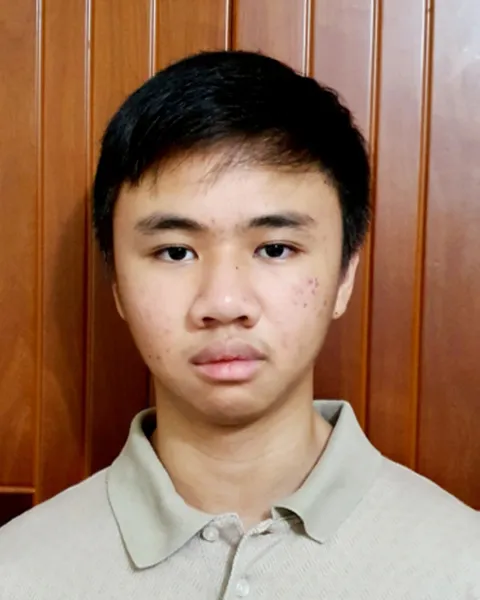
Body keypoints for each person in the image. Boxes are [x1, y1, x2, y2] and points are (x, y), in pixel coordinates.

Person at [0, 50, 478, 600]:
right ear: (117, 285)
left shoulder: (463, 566)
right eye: (175, 252)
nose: (224, 303)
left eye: (274, 248)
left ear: (345, 275)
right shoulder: (18, 572)